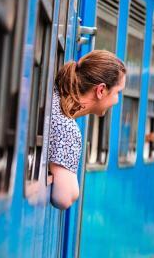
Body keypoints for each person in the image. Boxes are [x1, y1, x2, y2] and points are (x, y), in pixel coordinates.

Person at [49, 50, 127, 209]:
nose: (117, 100)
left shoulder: (53, 98)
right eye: (118, 92)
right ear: (101, 90)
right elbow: (64, 198)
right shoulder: (67, 128)